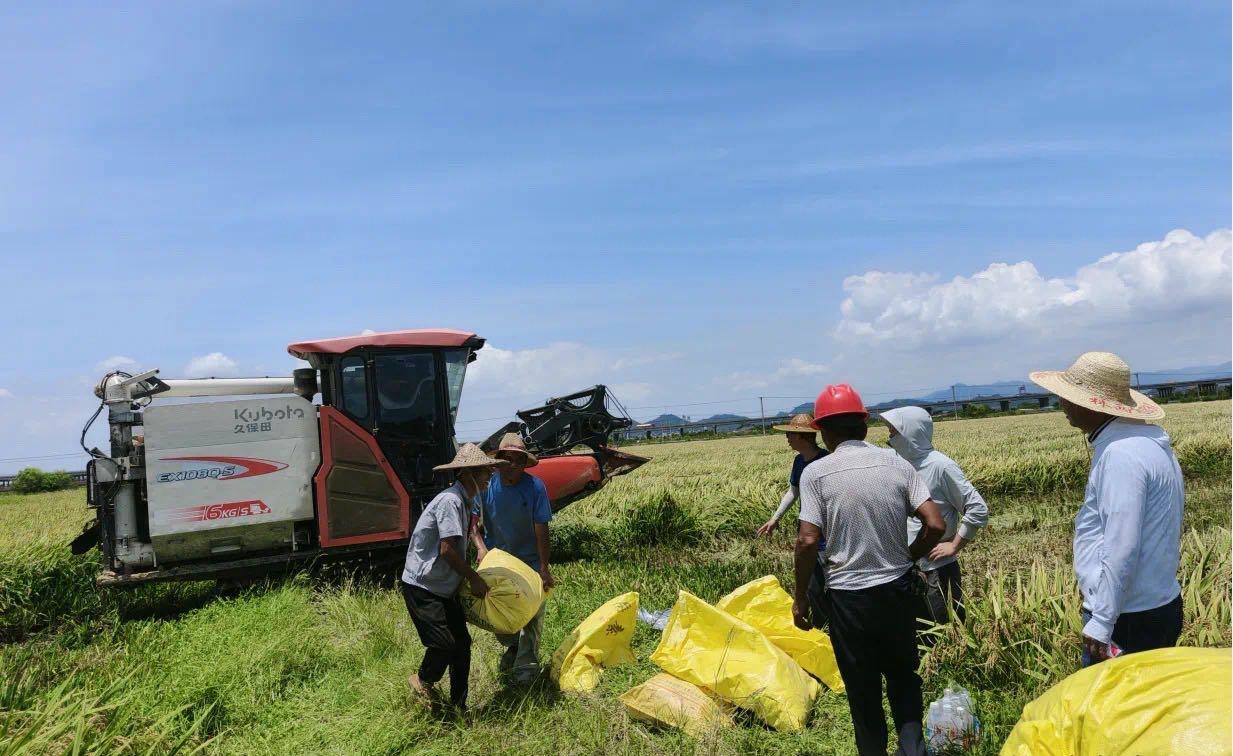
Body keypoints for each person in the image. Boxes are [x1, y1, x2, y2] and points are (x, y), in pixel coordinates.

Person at [793, 384, 946, 756]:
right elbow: (936, 525)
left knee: (863, 693)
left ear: (824, 431)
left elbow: (808, 540)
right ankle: (914, 750)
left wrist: (800, 599)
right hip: (897, 592)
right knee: (903, 679)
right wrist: (908, 556)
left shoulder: (817, 474)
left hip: (849, 601)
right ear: (863, 426)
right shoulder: (897, 464)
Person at [1030, 351, 1184, 666]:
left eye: (1070, 397)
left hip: (1128, 619)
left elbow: (1121, 545)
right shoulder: (1147, 442)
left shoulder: (1120, 455)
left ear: (1093, 405)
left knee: (1112, 711)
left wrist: (1102, 619)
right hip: (1154, 605)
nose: (1063, 404)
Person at [401, 443, 505, 714]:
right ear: (468, 473)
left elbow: (470, 527)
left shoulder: (466, 499)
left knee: (462, 646)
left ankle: (459, 707)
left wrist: (480, 547)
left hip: (445, 585)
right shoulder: (451, 501)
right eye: (485, 471)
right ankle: (422, 680)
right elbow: (446, 551)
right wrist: (473, 579)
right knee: (443, 643)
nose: (489, 476)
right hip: (424, 585)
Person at [881, 406, 989, 625]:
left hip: (937, 566)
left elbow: (977, 508)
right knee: (919, 629)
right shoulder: (901, 464)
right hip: (908, 564)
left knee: (946, 626)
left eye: (894, 432)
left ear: (910, 432)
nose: (889, 438)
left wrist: (955, 545)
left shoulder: (940, 466)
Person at [471, 432, 554, 685]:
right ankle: (513, 648)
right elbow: (472, 521)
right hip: (499, 563)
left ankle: (526, 671)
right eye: (510, 460)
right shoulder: (486, 488)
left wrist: (543, 567)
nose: (515, 465)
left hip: (528, 563)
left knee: (532, 616)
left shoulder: (535, 487)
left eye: (520, 460)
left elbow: (542, 528)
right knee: (500, 615)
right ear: (499, 462)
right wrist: (480, 548)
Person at [756, 412, 831, 627]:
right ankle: (821, 627)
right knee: (813, 584)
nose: (787, 438)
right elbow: (793, 491)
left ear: (802, 437)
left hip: (828, 532)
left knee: (832, 584)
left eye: (790, 434)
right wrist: (775, 518)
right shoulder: (799, 461)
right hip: (807, 529)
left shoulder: (825, 461)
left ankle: (835, 627)